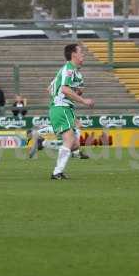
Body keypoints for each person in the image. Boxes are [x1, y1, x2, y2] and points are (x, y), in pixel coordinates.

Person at [48, 43, 94, 180]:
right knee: (69, 140)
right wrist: (83, 100)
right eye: (81, 52)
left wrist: (76, 92)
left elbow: (50, 88)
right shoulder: (68, 69)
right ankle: (57, 172)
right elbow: (64, 89)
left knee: (75, 145)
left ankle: (44, 143)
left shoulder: (74, 72)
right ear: (74, 54)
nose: (83, 55)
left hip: (65, 108)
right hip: (61, 107)